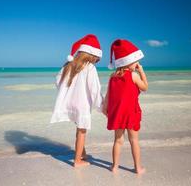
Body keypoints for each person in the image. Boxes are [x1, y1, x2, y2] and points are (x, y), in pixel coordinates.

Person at [51, 34, 103, 167]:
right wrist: (102, 106)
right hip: (82, 104)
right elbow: (94, 90)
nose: (96, 61)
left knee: (79, 129)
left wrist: (67, 93)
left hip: (71, 102)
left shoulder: (69, 65)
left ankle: (82, 153)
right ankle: (77, 160)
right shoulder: (90, 67)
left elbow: (58, 81)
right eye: (97, 58)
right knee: (82, 131)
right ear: (92, 55)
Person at [103, 39, 148, 174]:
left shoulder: (112, 76)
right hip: (131, 113)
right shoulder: (134, 75)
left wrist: (106, 108)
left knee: (118, 140)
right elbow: (145, 87)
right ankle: (138, 168)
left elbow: (108, 95)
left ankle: (115, 166)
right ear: (128, 61)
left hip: (118, 113)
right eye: (136, 61)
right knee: (134, 140)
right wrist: (142, 72)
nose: (138, 64)